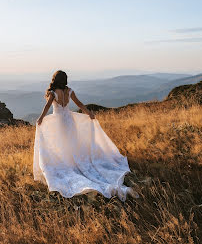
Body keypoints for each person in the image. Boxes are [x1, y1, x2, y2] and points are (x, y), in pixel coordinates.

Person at [34, 70, 139, 201]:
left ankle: (68, 164)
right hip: (70, 121)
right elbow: (79, 104)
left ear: (55, 79)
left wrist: (40, 118)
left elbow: (47, 107)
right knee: (72, 143)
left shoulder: (53, 93)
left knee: (62, 145)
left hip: (59, 122)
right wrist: (88, 112)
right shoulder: (69, 91)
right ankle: (75, 163)